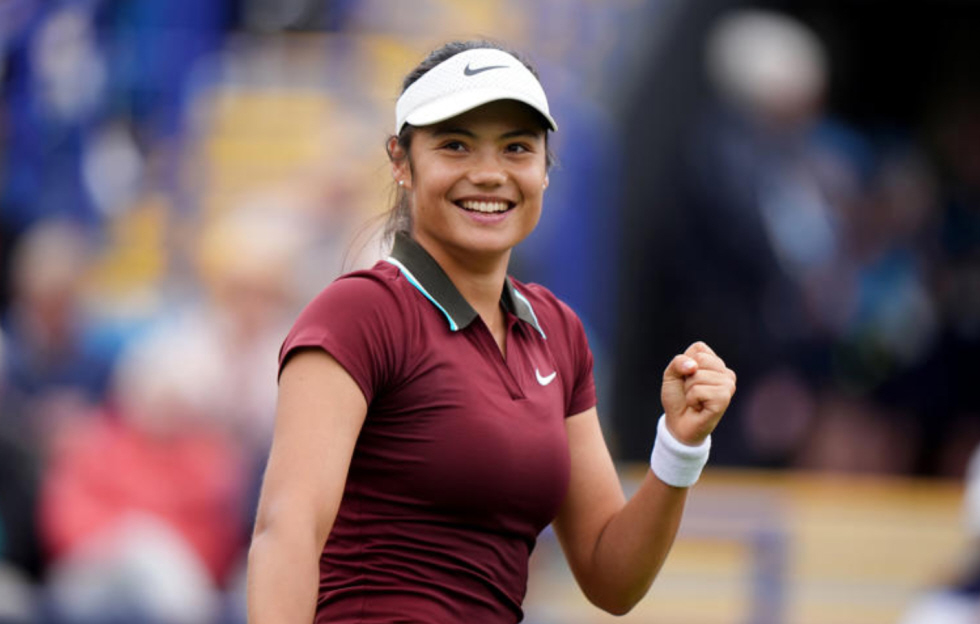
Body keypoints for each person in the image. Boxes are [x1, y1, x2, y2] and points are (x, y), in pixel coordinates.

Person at [246, 40, 736, 624]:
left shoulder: (558, 331)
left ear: (545, 170)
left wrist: (679, 446)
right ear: (401, 161)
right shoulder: (359, 312)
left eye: (516, 148)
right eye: (455, 145)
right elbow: (287, 529)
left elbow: (611, 577)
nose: (488, 174)